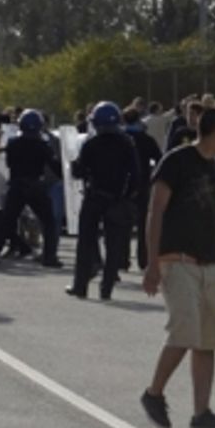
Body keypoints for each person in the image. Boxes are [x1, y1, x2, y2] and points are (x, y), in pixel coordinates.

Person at [140, 107, 215, 428]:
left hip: (211, 265)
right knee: (184, 333)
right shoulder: (177, 162)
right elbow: (155, 211)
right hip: (177, 260)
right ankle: (154, 393)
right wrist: (152, 263)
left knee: (207, 340)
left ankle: (202, 412)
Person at [67, 102, 139, 299]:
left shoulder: (91, 144)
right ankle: (106, 289)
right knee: (114, 245)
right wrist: (127, 196)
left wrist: (74, 165)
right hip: (116, 198)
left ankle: (80, 286)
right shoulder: (126, 143)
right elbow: (135, 174)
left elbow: (80, 172)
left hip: (94, 196)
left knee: (86, 243)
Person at [0, 109, 63, 268]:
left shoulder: (13, 143)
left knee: (6, 222)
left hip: (17, 185)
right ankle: (49, 257)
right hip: (36, 184)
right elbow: (54, 166)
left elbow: (8, 163)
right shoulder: (43, 145)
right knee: (49, 222)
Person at [122, 107, 161, 272]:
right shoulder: (146, 139)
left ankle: (121, 260)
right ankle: (143, 260)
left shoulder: (120, 138)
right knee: (143, 223)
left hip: (122, 186)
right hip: (143, 184)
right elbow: (160, 158)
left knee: (123, 225)